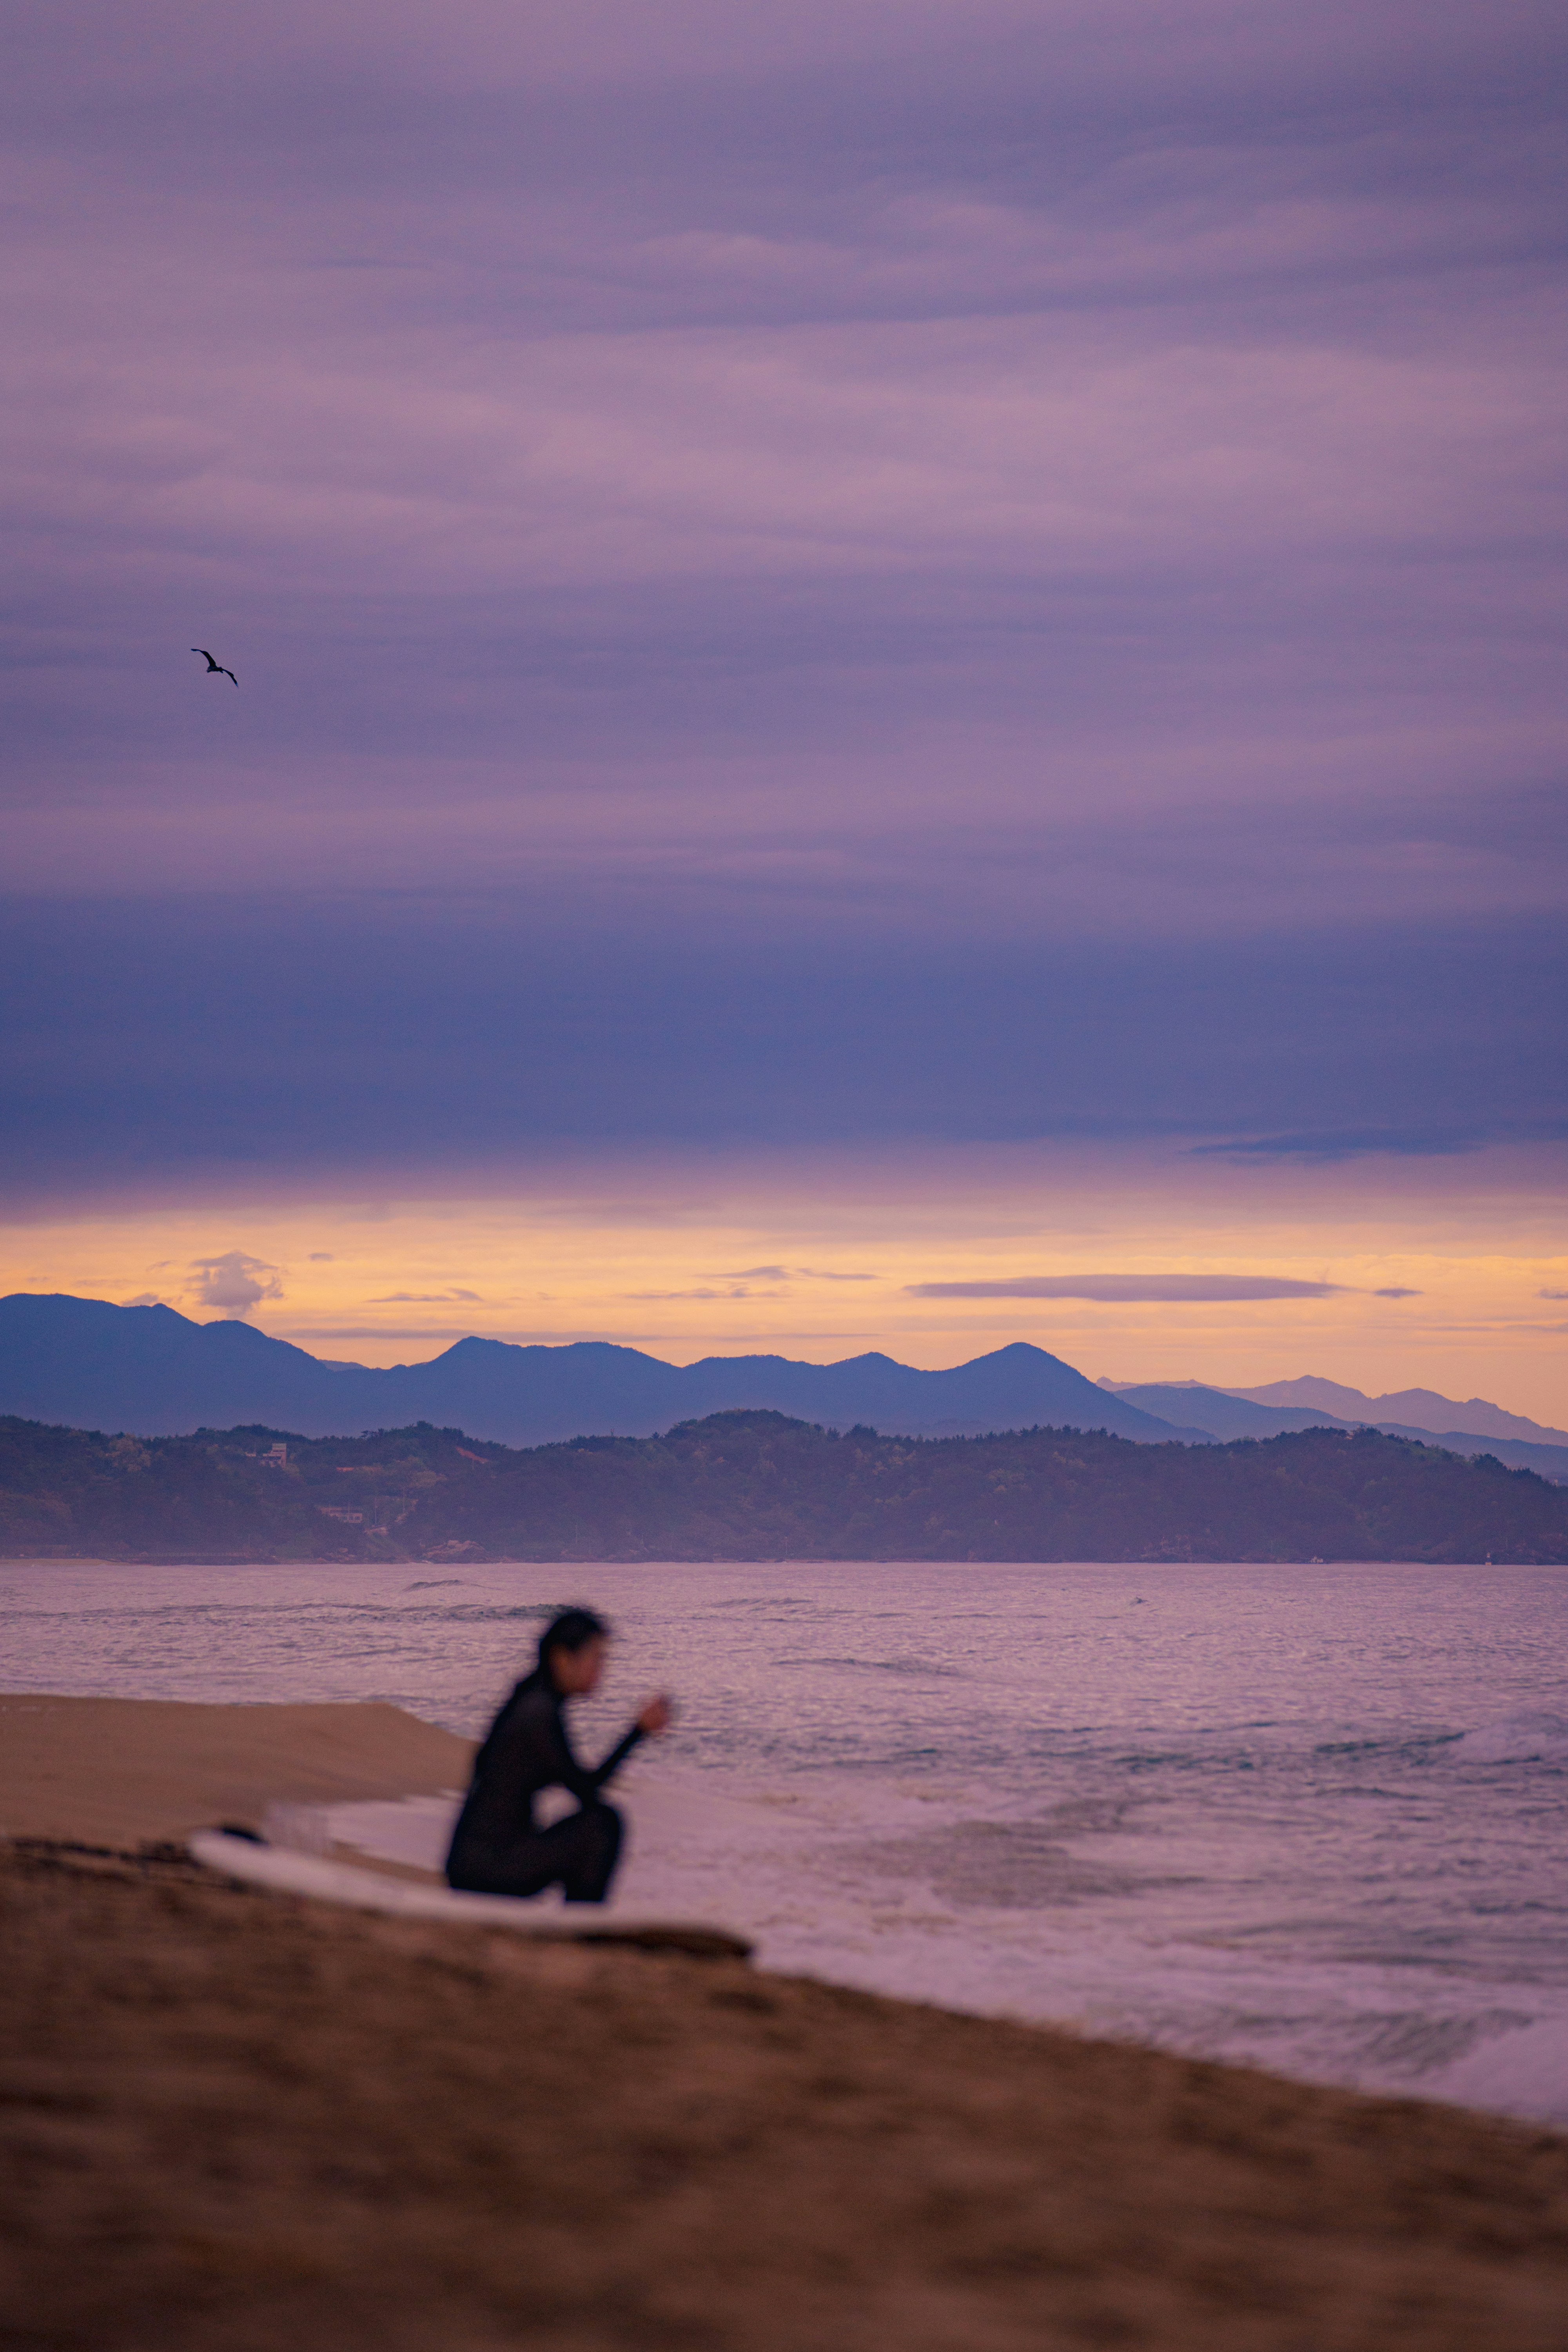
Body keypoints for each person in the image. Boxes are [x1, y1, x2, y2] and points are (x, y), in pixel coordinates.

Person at [445, 1606, 671, 1904]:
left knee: (600, 1821)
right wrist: (637, 1733)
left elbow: (581, 1785)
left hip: (476, 1864)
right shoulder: (538, 1713)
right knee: (602, 1824)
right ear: (562, 1659)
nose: (601, 1670)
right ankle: (581, 1930)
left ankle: (579, 1925)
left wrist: (637, 1732)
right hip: (488, 1868)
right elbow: (586, 1792)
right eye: (596, 1658)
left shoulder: (534, 1701)